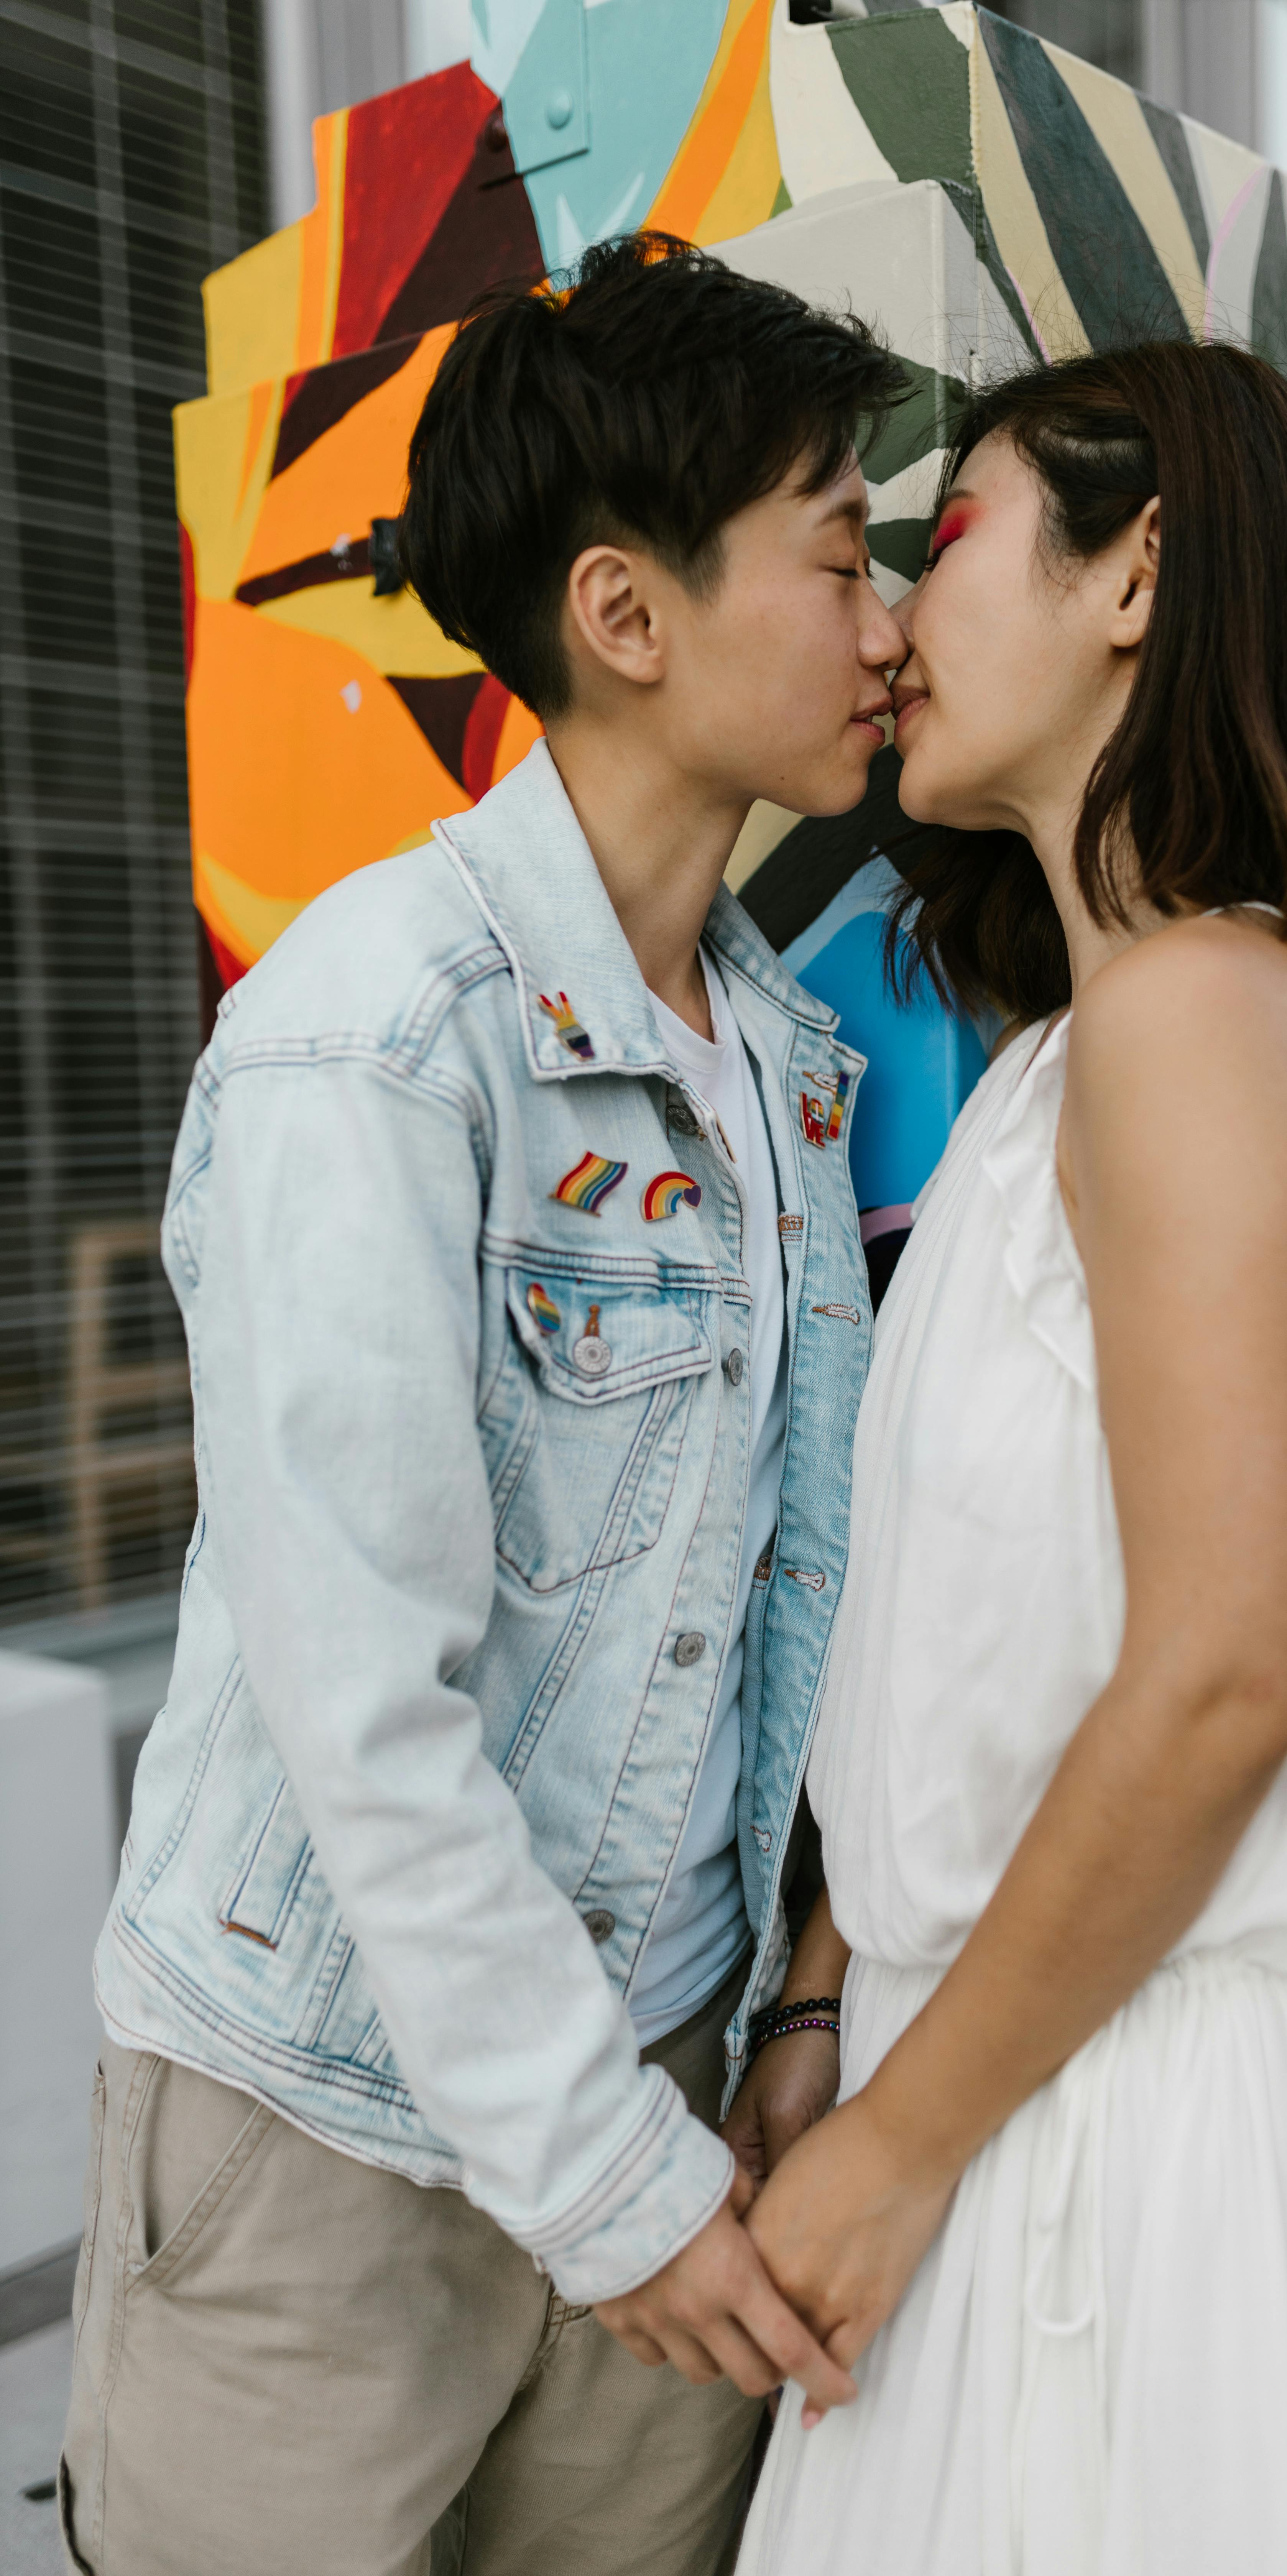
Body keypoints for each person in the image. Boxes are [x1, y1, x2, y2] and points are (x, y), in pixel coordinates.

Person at [60, 234, 901, 2576]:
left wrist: (760, 2051)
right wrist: (617, 2190)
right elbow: (370, 1715)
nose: (889, 623)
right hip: (328, 2124)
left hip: (669, 2074)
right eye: (840, 557)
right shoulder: (376, 1040)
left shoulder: (789, 1072)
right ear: (626, 618)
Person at [712, 345, 1287, 2574]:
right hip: (1073, 2106)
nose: (893, 618)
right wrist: (831, 1986)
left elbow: (1217, 1678)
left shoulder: (1192, 1020)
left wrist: (892, 2140)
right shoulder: (1102, 1052)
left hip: (1137, 2171)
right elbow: (987, 1653)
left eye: (954, 533)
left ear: (1139, 576)